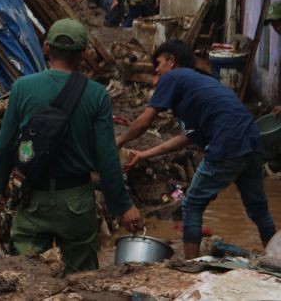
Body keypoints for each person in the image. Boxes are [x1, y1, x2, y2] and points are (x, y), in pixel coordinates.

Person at [0, 19, 143, 273]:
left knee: (25, 278)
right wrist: (122, 206)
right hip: (76, 204)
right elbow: (106, 158)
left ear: (47, 48)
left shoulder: (22, 88)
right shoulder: (96, 95)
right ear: (83, 55)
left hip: (32, 200)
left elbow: (5, 145)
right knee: (82, 280)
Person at [118, 40, 276, 259]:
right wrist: (144, 154)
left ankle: (190, 269)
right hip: (252, 143)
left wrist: (119, 142)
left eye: (158, 63)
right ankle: (274, 261)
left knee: (191, 204)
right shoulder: (200, 83)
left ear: (171, 62)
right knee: (258, 209)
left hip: (226, 144)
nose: (156, 69)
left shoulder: (172, 77)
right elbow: (186, 138)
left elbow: (144, 121)